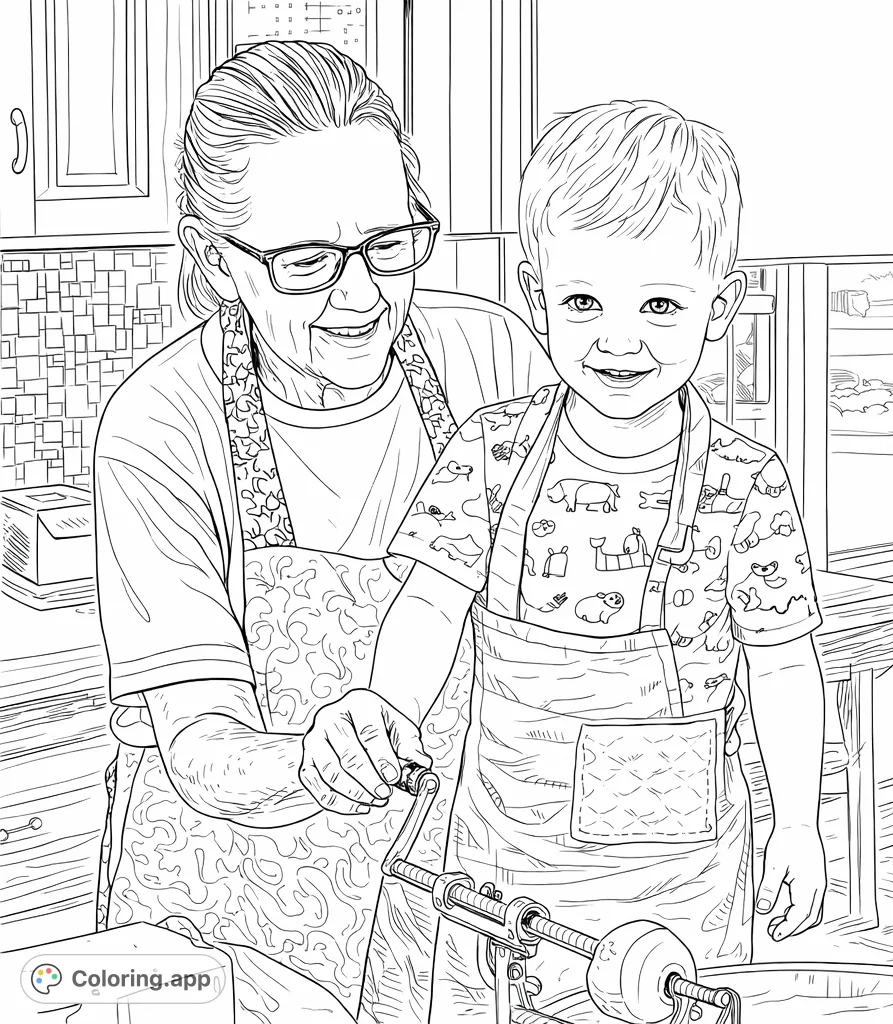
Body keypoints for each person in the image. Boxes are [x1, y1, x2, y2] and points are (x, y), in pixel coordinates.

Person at [93, 40, 552, 1021]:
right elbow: (202, 743)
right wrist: (311, 759)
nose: (362, 297)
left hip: (444, 907)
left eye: (390, 244)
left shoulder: (489, 356)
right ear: (215, 258)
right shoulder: (163, 422)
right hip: (232, 930)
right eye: (306, 262)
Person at [364, 100, 829, 1018]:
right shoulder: (492, 452)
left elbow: (782, 667)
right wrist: (386, 707)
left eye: (660, 306)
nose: (621, 340)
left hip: (678, 886)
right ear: (536, 299)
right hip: (504, 869)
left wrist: (800, 824)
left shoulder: (748, 485)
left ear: (720, 308)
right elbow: (426, 607)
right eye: (585, 303)